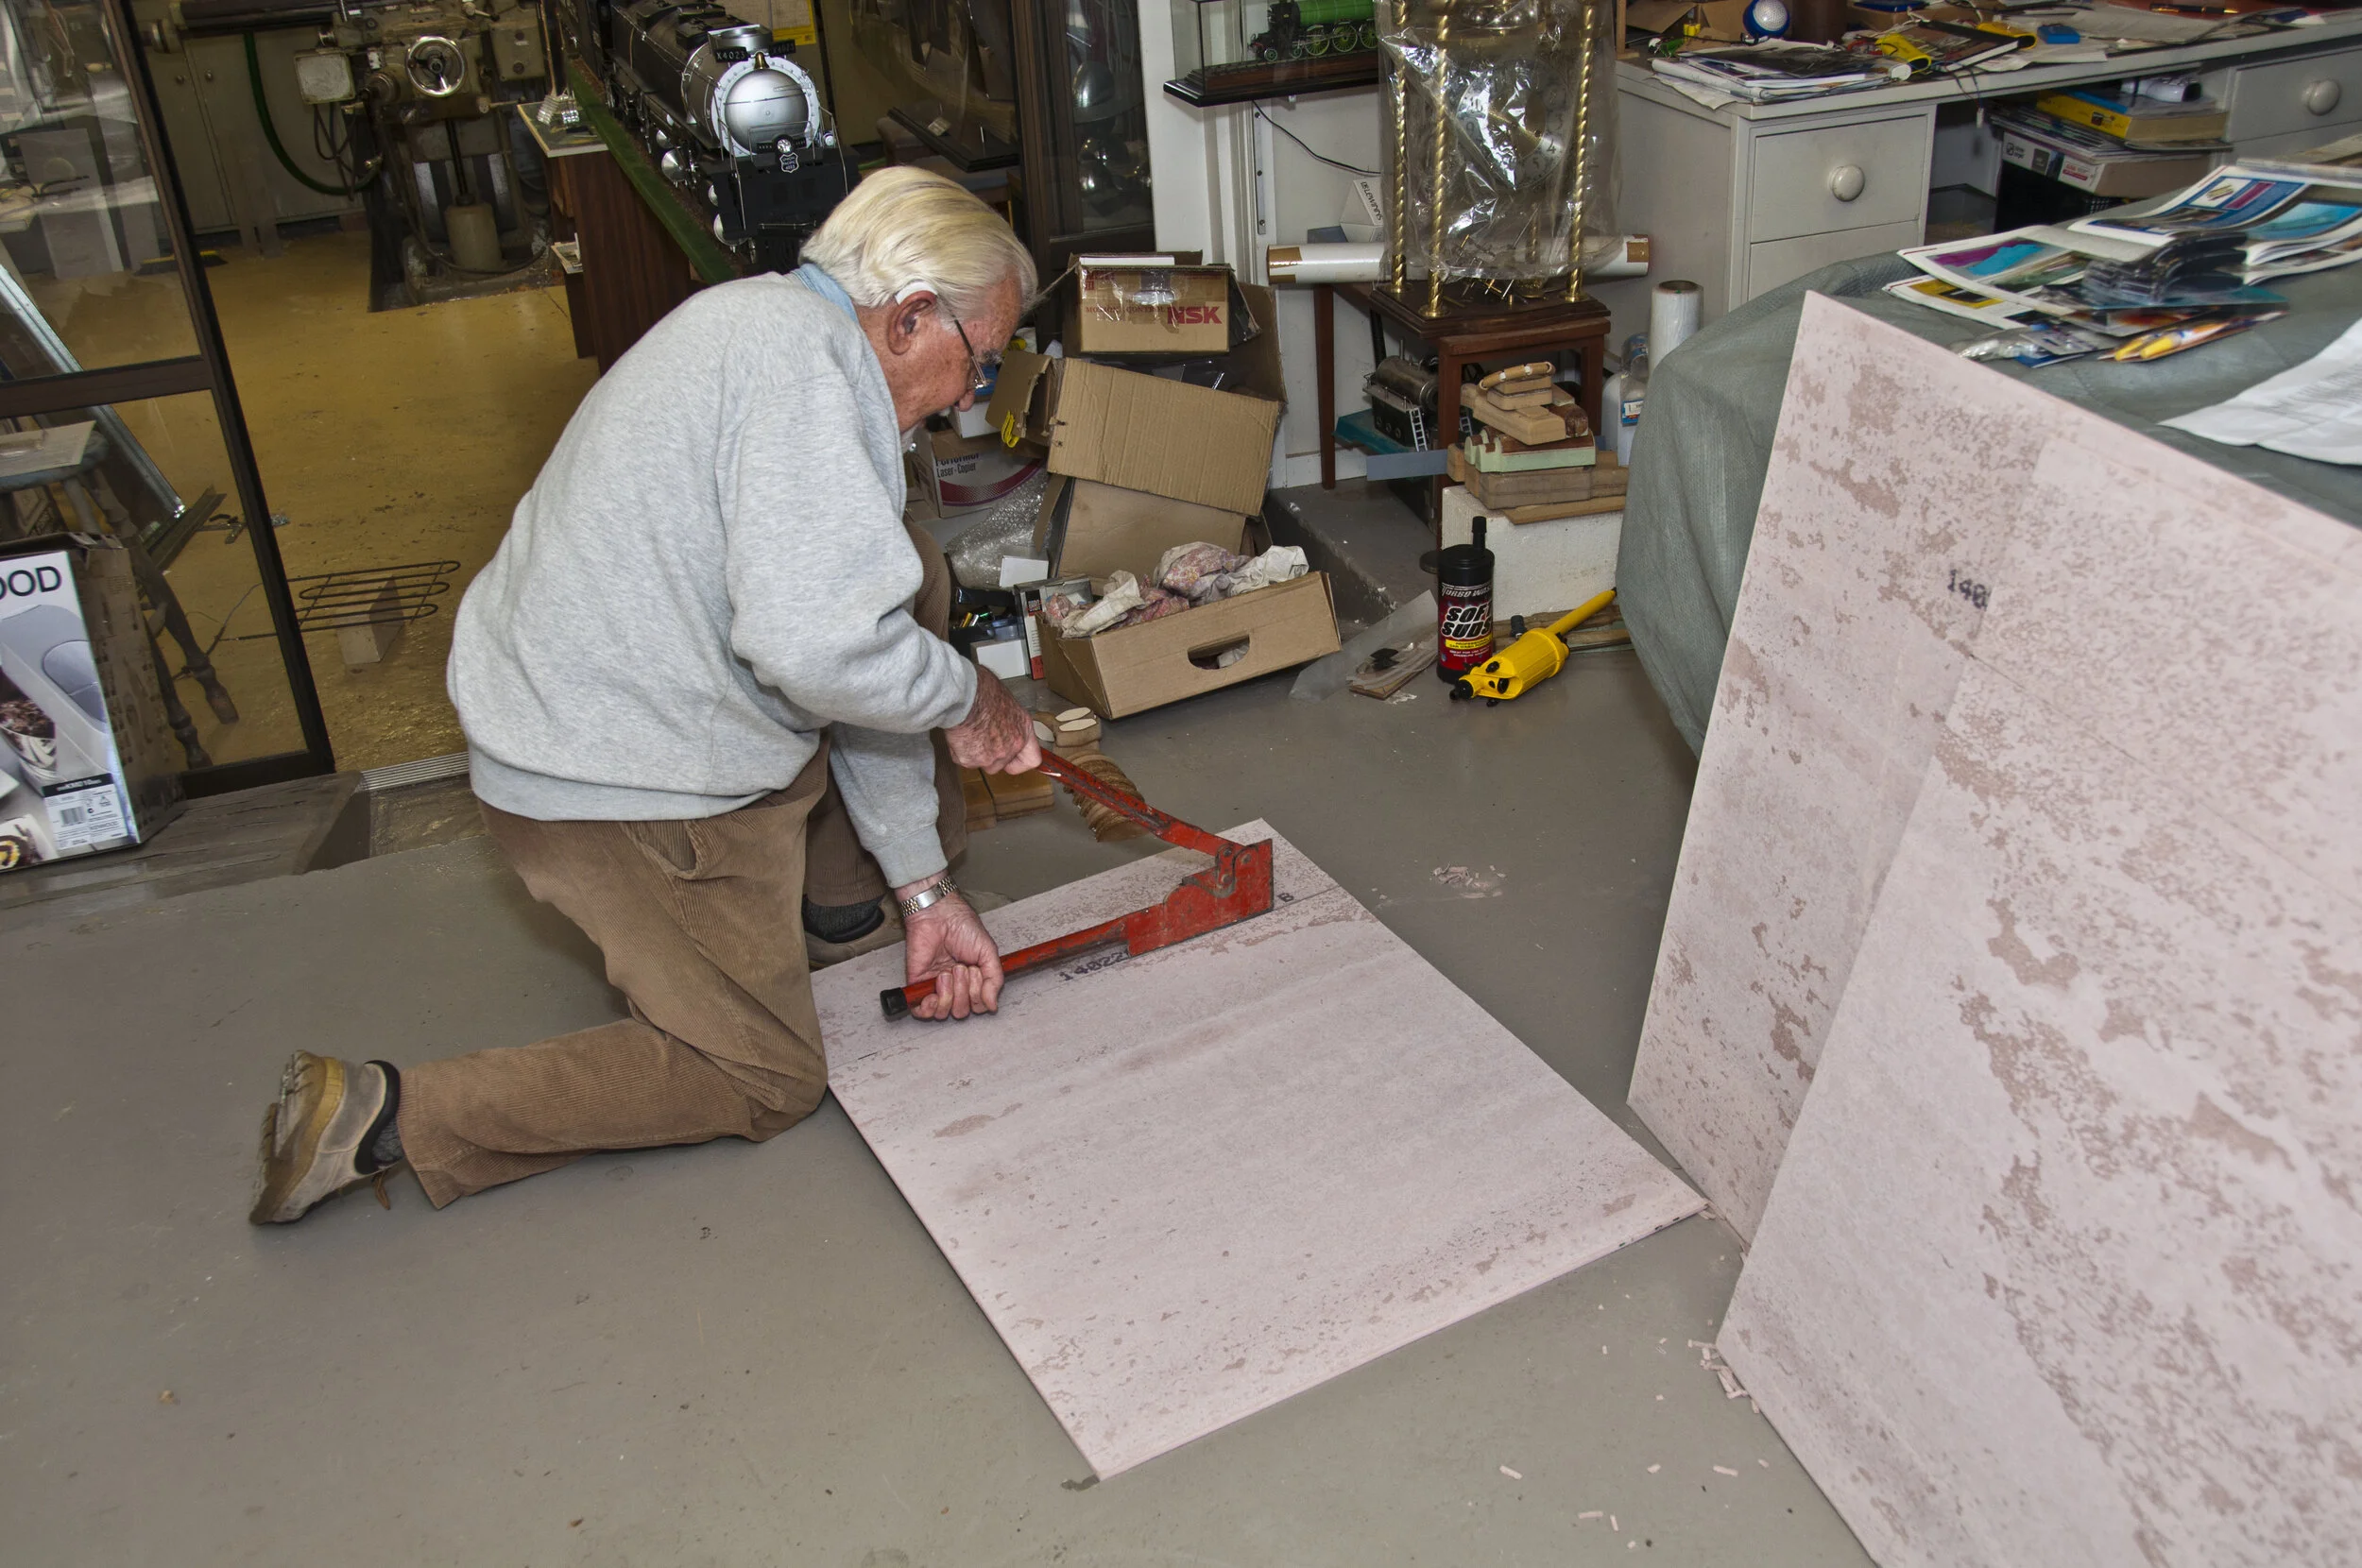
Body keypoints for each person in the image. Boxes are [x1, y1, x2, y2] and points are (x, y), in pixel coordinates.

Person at [248, 167, 1042, 1224]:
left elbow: (846, 637)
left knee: (909, 572)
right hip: (616, 780)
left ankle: (844, 899)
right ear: (906, 319)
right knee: (762, 1075)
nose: (964, 400)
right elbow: (821, 651)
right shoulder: (803, 382)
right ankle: (388, 1114)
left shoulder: (766, 321)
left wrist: (924, 889)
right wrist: (972, 697)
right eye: (976, 364)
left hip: (616, 699)